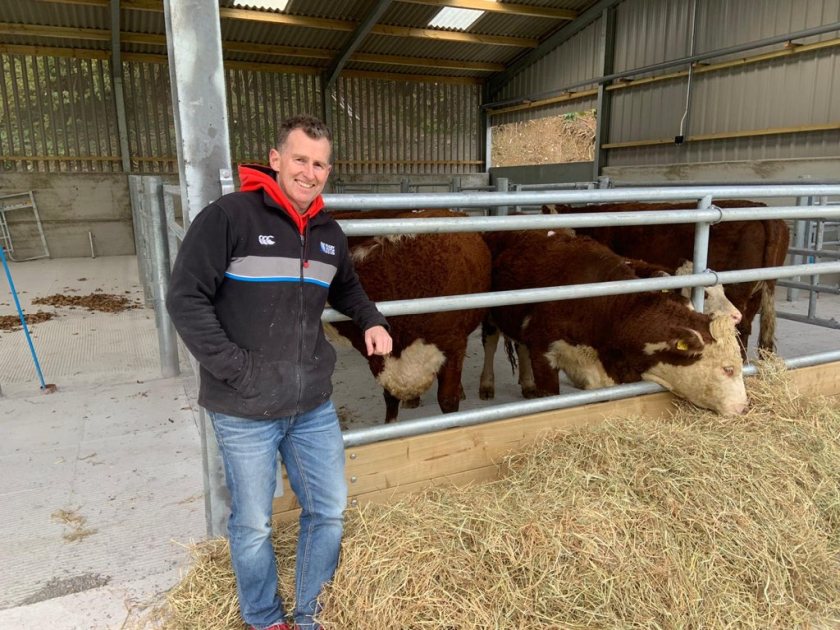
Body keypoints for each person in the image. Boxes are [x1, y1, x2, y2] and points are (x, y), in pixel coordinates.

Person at [166, 114, 392, 630]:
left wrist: (371, 319)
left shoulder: (329, 233)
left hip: (311, 402)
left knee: (328, 511)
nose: (309, 173)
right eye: (299, 160)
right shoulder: (229, 217)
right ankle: (265, 618)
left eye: (319, 164)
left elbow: (347, 289)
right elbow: (185, 298)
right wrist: (236, 370)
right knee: (252, 525)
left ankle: (311, 615)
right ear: (275, 160)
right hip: (243, 405)